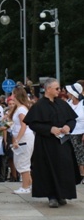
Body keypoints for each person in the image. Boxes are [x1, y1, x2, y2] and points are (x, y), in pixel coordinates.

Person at [24, 78, 82, 208]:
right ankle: (52, 196)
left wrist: (68, 126)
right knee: (48, 169)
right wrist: (49, 129)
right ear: (48, 89)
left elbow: (72, 119)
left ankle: (62, 194)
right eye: (56, 89)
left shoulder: (62, 104)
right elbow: (33, 123)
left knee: (64, 167)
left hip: (62, 143)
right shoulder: (39, 106)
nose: (59, 91)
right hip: (46, 143)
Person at [8, 86, 34, 194]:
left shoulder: (22, 109)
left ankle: (25, 187)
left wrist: (17, 139)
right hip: (22, 137)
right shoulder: (19, 108)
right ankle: (30, 184)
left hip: (24, 138)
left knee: (23, 162)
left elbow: (24, 125)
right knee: (20, 161)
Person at [65, 83, 84, 180]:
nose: (67, 93)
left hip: (80, 133)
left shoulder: (83, 104)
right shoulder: (68, 103)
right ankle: (75, 174)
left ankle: (82, 174)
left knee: (80, 154)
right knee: (72, 154)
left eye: (69, 92)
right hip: (69, 133)